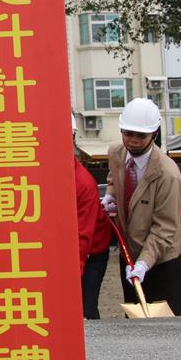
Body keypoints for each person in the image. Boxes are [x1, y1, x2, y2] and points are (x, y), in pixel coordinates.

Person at [105, 98, 181, 315]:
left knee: (166, 322)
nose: (133, 141)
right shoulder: (116, 153)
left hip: (160, 261)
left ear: (154, 134)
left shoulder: (168, 174)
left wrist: (143, 264)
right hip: (129, 254)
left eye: (141, 135)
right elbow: (114, 178)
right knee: (135, 321)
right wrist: (110, 195)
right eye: (128, 133)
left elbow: (165, 227)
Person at [72, 116, 111, 320]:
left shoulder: (82, 184)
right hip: (67, 248)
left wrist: (71, 279)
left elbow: (82, 237)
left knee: (84, 308)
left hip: (92, 251)